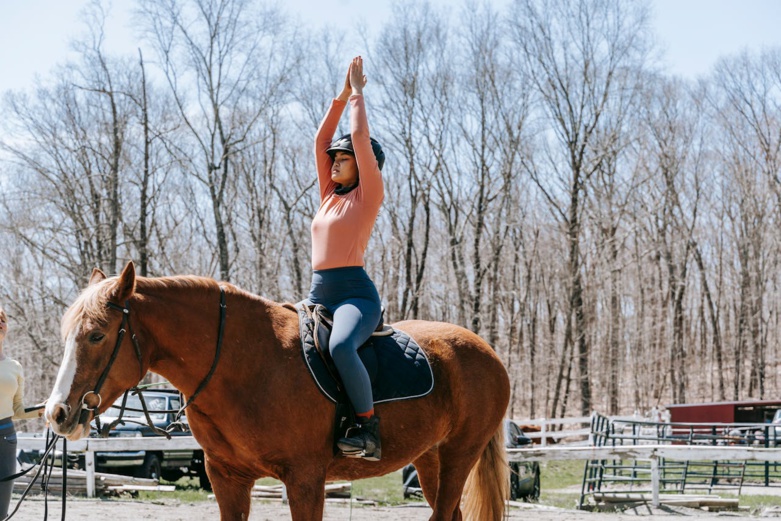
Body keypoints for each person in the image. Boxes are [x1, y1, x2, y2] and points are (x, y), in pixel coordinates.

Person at [310, 56, 386, 461]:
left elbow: (358, 139)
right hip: (317, 292)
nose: (335, 160)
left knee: (341, 346)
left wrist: (358, 95)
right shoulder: (329, 196)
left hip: (354, 296)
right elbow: (320, 141)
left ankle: (367, 427)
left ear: (363, 166)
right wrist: (339, 96)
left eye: (343, 157)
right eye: (334, 158)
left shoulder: (367, 196)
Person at [0, 306, 43, 518]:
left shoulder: (14, 366)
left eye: (2, 319)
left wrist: (43, 410)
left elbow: (17, 409)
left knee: (1, 507)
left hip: (6, 437)